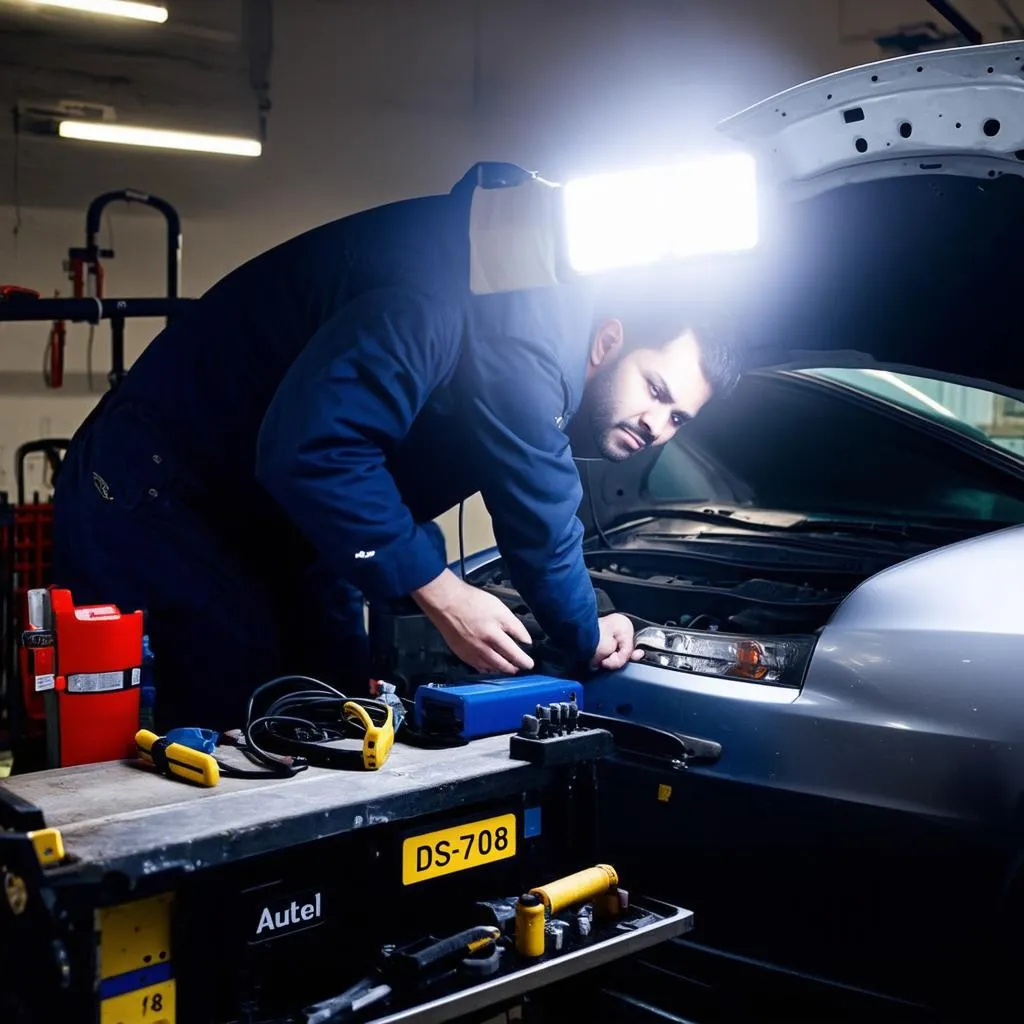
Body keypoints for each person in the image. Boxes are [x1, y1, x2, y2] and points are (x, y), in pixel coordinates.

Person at [51, 162, 740, 732]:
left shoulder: (515, 326)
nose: (658, 423)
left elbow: (537, 504)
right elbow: (313, 453)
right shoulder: (455, 305)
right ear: (608, 340)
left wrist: (586, 626)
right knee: (217, 730)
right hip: (160, 492)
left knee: (335, 702)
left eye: (679, 418)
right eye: (655, 388)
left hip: (279, 520)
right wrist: (442, 591)